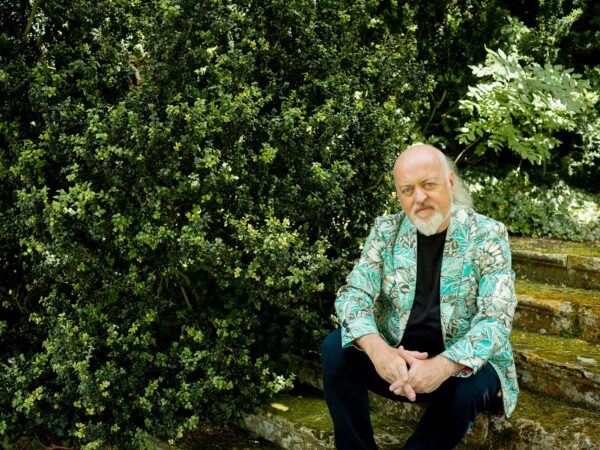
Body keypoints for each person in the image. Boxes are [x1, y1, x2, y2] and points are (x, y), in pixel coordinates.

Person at [320, 144, 519, 449]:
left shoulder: (488, 235)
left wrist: (441, 366)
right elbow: (353, 295)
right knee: (335, 348)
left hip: (460, 365)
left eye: (428, 185)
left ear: (450, 183)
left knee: (474, 385)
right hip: (399, 361)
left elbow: (496, 318)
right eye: (408, 190)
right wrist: (380, 352)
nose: (419, 198)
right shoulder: (385, 232)